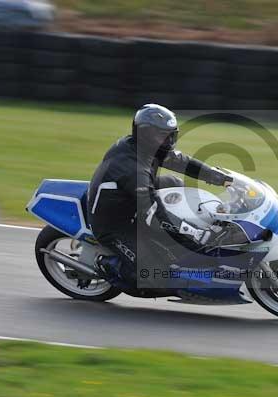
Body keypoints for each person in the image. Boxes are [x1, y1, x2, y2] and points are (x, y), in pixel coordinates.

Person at [87, 104, 232, 293]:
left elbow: (182, 162)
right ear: (146, 134)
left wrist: (219, 177)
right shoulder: (132, 169)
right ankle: (107, 265)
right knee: (152, 275)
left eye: (171, 135)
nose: (168, 141)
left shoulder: (146, 148)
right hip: (114, 224)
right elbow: (153, 215)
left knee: (175, 183)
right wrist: (192, 237)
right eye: (163, 136)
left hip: (127, 198)